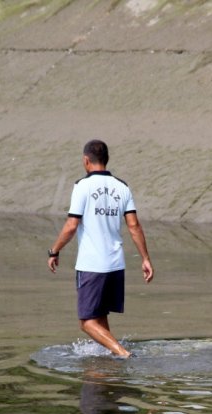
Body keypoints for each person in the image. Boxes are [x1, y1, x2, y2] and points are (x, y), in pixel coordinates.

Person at [47, 140, 154, 358]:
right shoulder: (122, 187)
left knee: (87, 323)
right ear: (106, 159)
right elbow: (134, 225)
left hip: (92, 265)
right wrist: (145, 258)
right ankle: (106, 369)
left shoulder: (82, 187)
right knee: (100, 318)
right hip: (115, 264)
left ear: (86, 160)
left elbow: (71, 225)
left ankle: (122, 353)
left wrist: (54, 250)